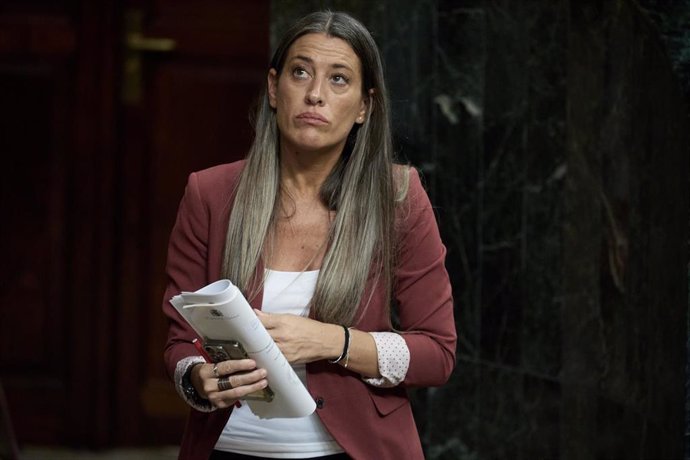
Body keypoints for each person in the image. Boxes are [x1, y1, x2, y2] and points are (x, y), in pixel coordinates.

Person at [162, 10, 456, 460]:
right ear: (274, 88)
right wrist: (198, 381)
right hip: (231, 446)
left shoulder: (397, 197)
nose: (315, 94)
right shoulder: (209, 193)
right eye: (300, 73)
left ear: (364, 107)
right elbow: (181, 341)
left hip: (353, 450)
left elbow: (436, 354)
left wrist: (330, 341)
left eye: (339, 79)